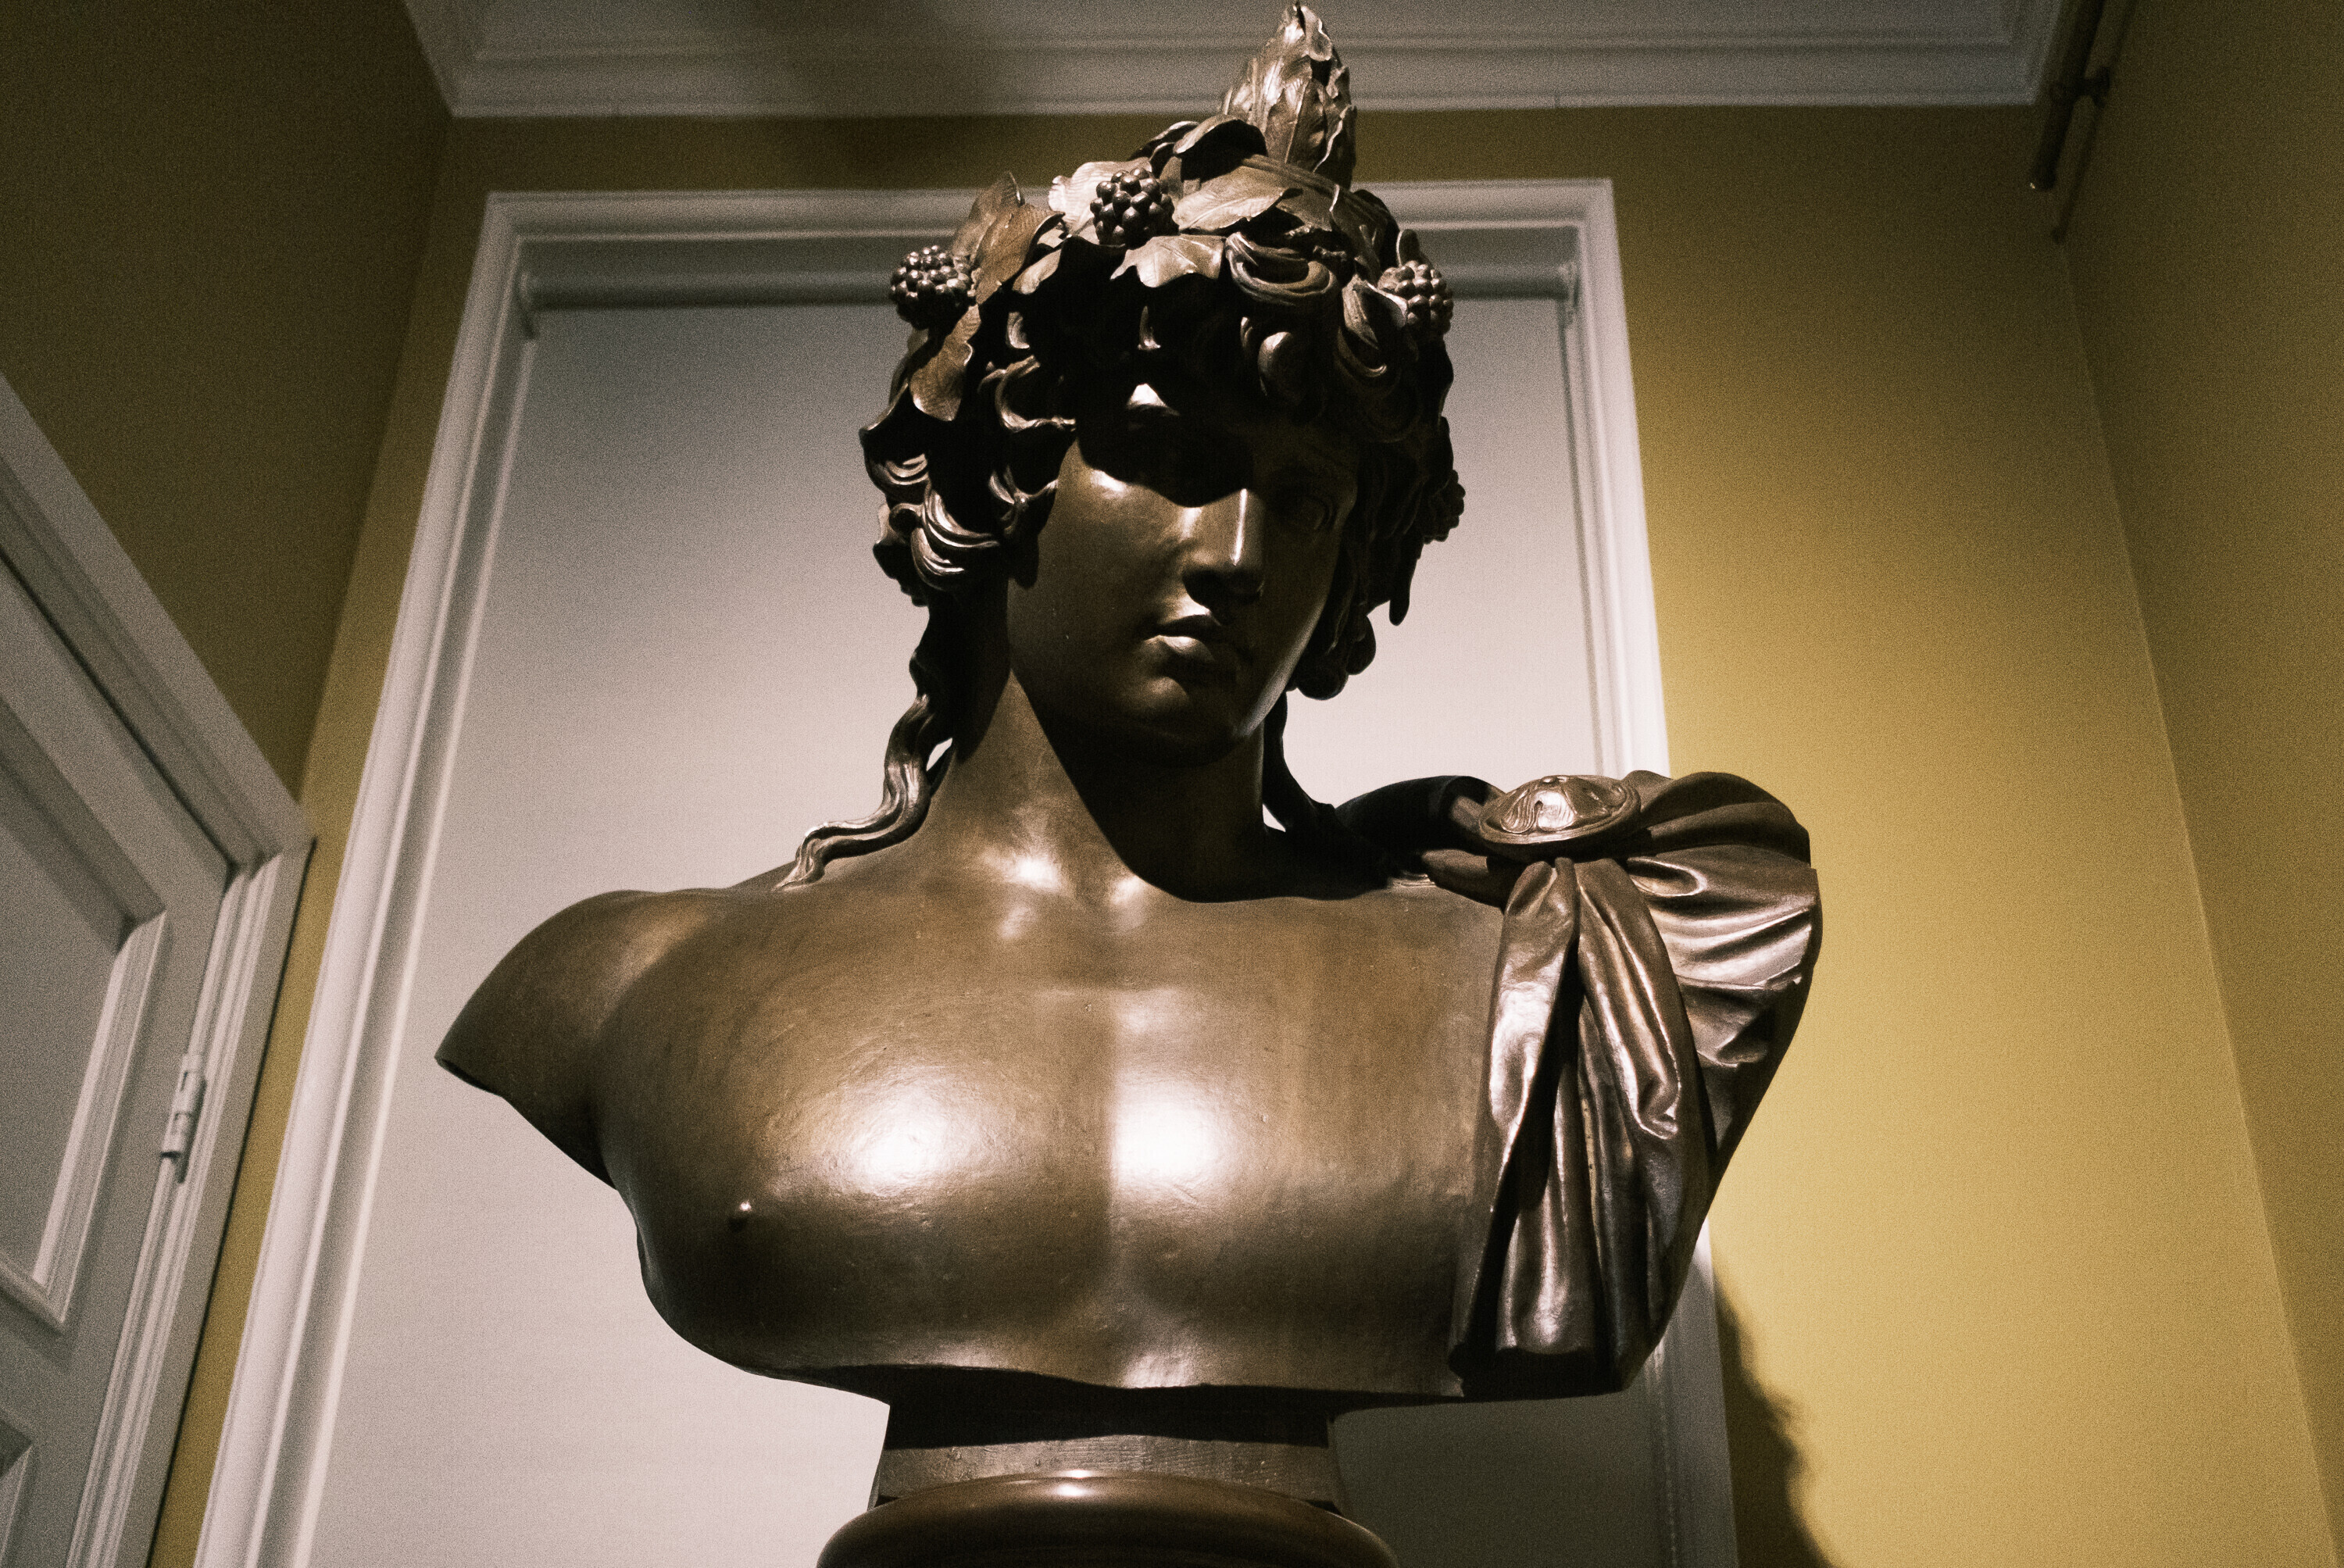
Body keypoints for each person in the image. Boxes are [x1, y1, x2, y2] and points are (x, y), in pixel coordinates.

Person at [438, 5, 1820, 1514]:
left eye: (1305, 503)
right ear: (1004, 472)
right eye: (1167, 458)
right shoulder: (631, 980)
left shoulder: (1540, 983)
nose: (1236, 554)